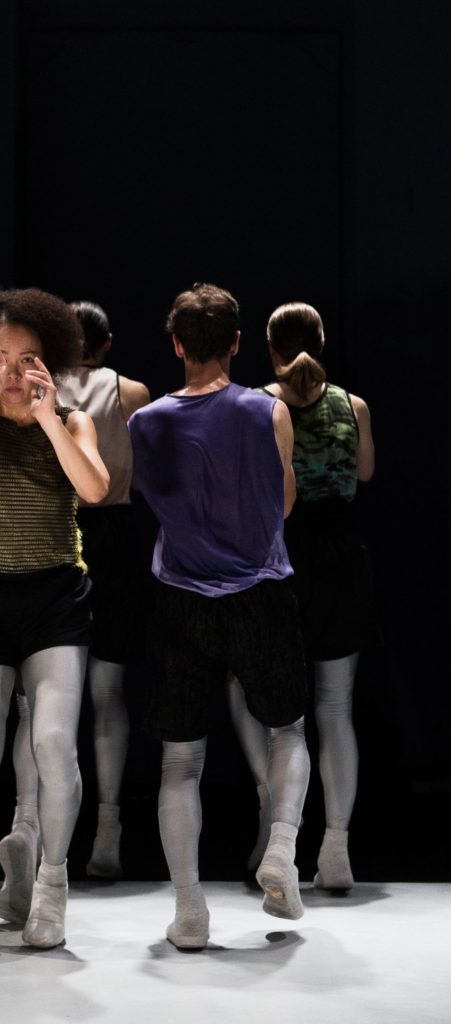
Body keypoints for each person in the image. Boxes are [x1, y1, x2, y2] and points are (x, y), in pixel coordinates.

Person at [127, 283, 311, 949]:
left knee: (180, 762)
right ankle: (281, 848)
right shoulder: (268, 411)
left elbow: (148, 497)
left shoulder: (146, 421)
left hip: (181, 599)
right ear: (236, 341)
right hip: (260, 593)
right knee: (287, 731)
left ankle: (189, 911)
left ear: (177, 345)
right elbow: (282, 504)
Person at [0, 287, 109, 959]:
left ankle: (51, 886)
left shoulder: (72, 420)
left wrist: (46, 418)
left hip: (54, 600)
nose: (12, 372)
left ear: (51, 361)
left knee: (54, 745)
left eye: (27, 359)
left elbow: (94, 488)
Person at [0, 300, 151, 886]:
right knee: (107, 694)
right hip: (112, 538)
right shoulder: (130, 392)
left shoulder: (37, 388)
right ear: (107, 342)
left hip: (57, 533)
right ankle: (106, 827)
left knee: (38, 701)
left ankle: (31, 824)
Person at [227, 301, 375, 891]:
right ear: (322, 340)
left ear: (269, 348)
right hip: (341, 562)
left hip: (277, 560)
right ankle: (335, 848)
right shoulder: (352, 406)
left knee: (261, 700)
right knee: (335, 708)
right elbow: (364, 473)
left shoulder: (255, 406)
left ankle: (273, 811)